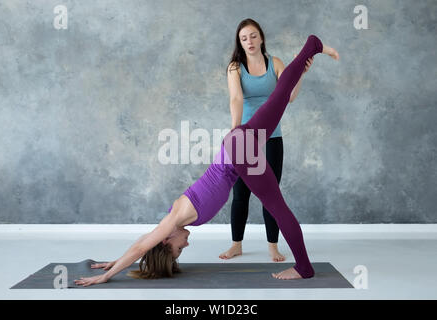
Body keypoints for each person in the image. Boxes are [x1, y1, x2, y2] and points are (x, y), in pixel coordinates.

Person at [74, 34, 339, 287]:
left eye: (178, 248)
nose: (185, 246)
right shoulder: (173, 222)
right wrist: (114, 263)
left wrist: (105, 278)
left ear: (166, 241)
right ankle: (310, 47)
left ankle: (304, 268)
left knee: (276, 206)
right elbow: (144, 243)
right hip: (237, 148)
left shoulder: (175, 219)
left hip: (238, 151)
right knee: (280, 96)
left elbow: (143, 246)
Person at [220, 18, 315, 262]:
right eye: (243, 38)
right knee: (240, 194)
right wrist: (234, 134)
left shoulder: (276, 64)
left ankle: (273, 247)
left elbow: (290, 96)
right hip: (245, 140)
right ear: (239, 44)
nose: (249, 42)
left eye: (253, 36)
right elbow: (236, 99)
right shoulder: (235, 67)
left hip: (272, 138)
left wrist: (301, 74)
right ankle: (236, 245)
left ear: (261, 37)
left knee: (271, 195)